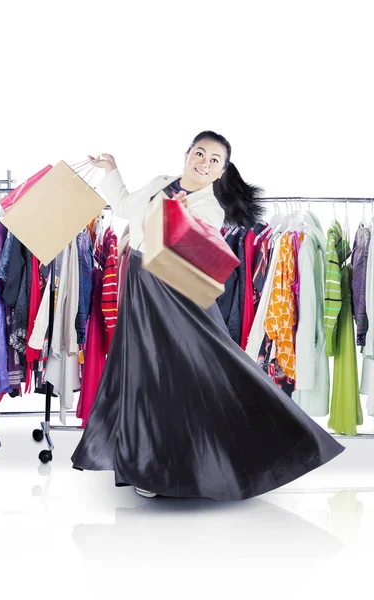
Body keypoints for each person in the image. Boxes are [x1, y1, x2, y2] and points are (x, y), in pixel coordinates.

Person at [71, 130, 345, 501]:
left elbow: (172, 252)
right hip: (138, 286)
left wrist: (173, 216)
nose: (204, 163)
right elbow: (123, 209)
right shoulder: (160, 183)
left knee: (182, 374)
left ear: (221, 171)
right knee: (142, 374)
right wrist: (112, 170)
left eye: (214, 160)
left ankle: (193, 463)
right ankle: (145, 462)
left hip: (172, 295)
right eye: (199, 154)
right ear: (186, 155)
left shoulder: (208, 208)